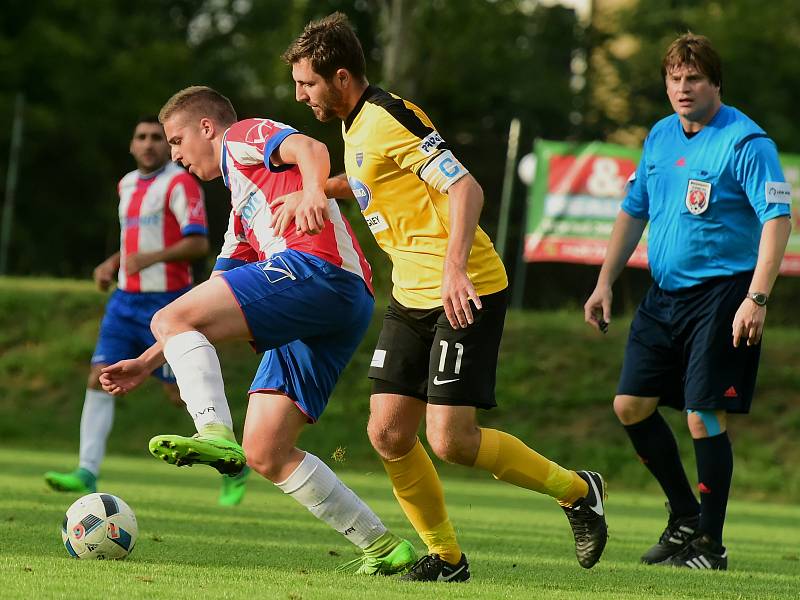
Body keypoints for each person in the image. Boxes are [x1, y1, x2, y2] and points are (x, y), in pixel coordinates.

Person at [280, 13, 608, 582]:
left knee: (451, 441)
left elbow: (465, 186)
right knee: (386, 433)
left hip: (467, 287)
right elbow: (372, 181)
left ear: (339, 76)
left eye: (306, 84)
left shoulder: (387, 118)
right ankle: (447, 559)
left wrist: (454, 270)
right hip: (410, 294)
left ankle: (579, 492)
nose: (300, 95)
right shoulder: (354, 125)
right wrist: (314, 192)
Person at [99, 86, 417, 575]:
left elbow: (311, 148)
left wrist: (313, 190)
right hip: (338, 302)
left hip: (319, 270)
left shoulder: (241, 137)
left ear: (207, 127)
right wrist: (146, 362)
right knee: (266, 450)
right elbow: (205, 304)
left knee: (167, 316)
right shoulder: (241, 211)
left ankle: (212, 430)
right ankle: (384, 548)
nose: (175, 153)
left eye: (178, 140)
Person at [583, 34, 792, 570]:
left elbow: (777, 221)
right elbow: (634, 211)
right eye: (674, 78)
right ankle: (683, 518)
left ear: (715, 83)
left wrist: (757, 297)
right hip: (663, 295)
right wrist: (605, 281)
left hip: (723, 295)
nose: (682, 88)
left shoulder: (746, 143)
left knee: (702, 413)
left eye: (694, 78)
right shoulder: (659, 136)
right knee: (630, 406)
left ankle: (711, 545)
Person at [44, 117, 247, 507]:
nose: (150, 143)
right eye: (142, 137)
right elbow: (133, 241)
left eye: (158, 137)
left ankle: (235, 463)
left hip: (168, 302)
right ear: (132, 146)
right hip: (125, 300)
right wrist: (113, 262)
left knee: (178, 392)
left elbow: (198, 243)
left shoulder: (180, 182)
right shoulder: (127, 184)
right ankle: (86, 471)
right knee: (98, 377)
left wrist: (148, 259)